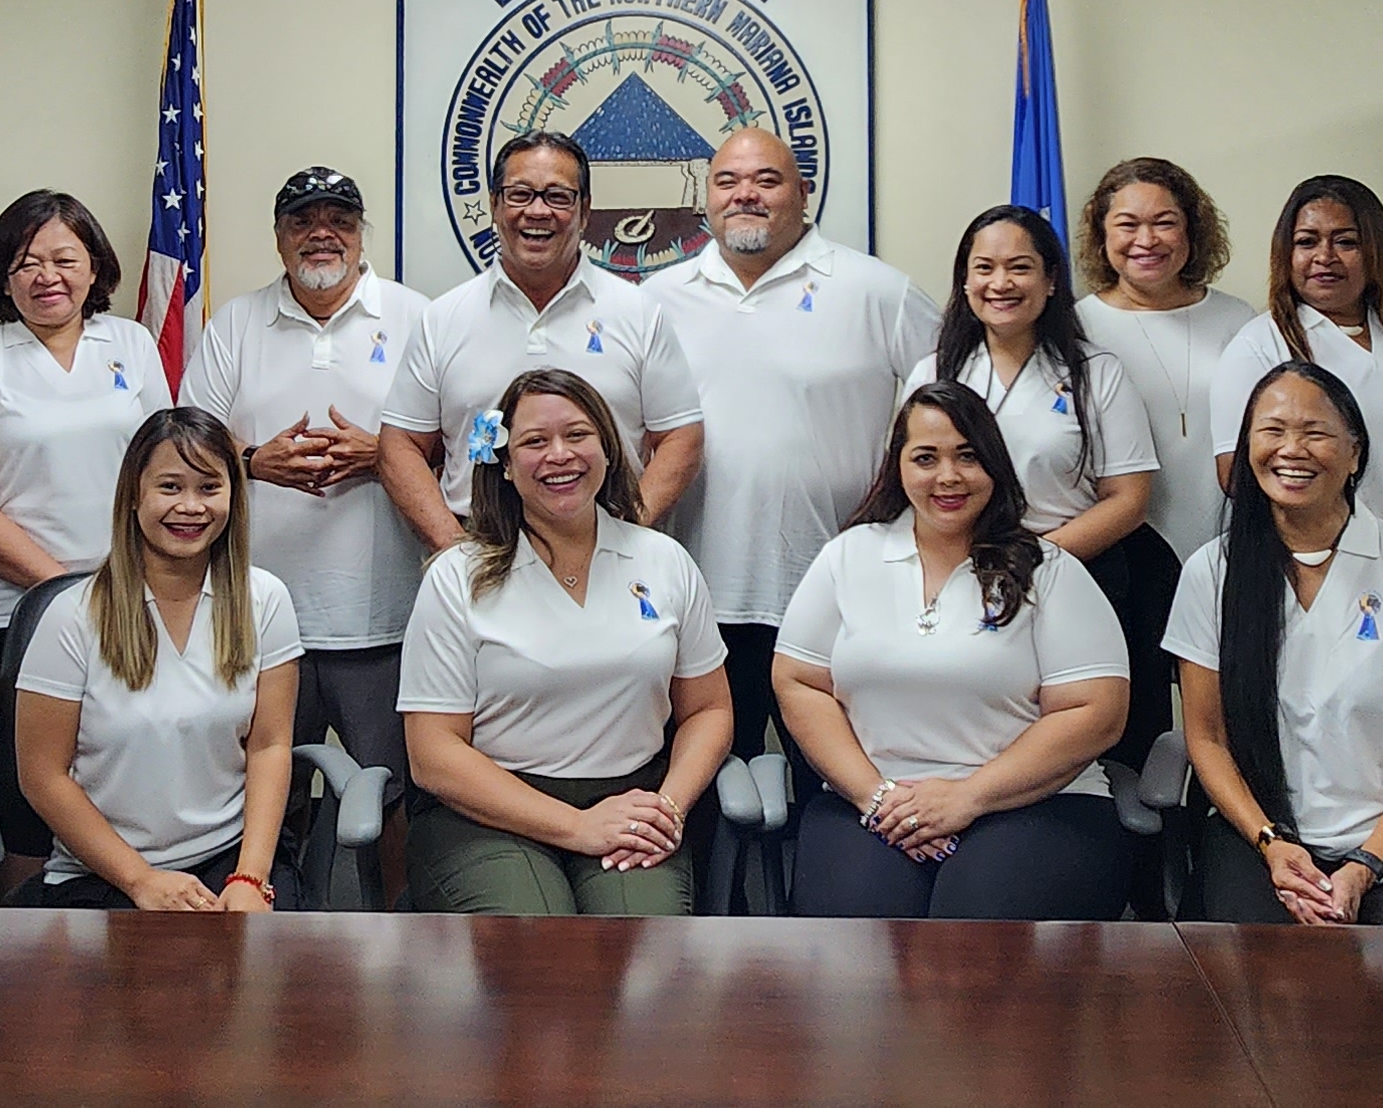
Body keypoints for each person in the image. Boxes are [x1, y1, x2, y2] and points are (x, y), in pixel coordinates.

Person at [774, 381, 1132, 921]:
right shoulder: (847, 557)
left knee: (970, 938)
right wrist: (877, 797)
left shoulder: (1048, 569)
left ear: (994, 465)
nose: (948, 476)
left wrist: (968, 797)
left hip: (1037, 805)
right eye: (926, 458)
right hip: (872, 803)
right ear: (898, 467)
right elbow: (799, 682)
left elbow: (1096, 711)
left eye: (968, 456)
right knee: (860, 941)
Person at [1167, 361, 1383, 927]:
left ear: (1354, 454)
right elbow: (1208, 737)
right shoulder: (1211, 572)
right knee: (1254, 963)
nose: (1291, 449)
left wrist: (1364, 866)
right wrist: (1272, 844)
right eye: (1272, 431)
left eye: (1315, 432)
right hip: (1261, 835)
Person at [396, 370, 732, 915]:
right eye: (534, 441)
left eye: (577, 435)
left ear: (607, 449)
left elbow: (709, 710)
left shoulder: (664, 561)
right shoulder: (458, 576)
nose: (559, 455)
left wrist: (667, 808)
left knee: (638, 949)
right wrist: (577, 827)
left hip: (630, 803)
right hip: (489, 815)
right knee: (539, 942)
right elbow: (433, 753)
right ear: (505, 463)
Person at [642, 129, 932, 755]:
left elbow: (954, 416)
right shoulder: (655, 301)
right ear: (706, 198)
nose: (745, 195)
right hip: (695, 594)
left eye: (766, 180)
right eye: (727, 181)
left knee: (834, 779)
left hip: (837, 591)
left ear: (804, 192)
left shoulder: (879, 292)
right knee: (710, 781)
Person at [179, 168, 431, 810]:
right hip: (257, 618)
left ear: (362, 235)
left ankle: (390, 887)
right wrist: (253, 460)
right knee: (263, 795)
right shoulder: (236, 323)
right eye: (303, 222)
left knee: (394, 798)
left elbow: (463, 445)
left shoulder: (416, 317)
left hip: (386, 620)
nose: (322, 235)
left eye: (339, 222)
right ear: (278, 237)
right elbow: (188, 441)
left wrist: (385, 455)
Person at [13, 408, 304, 910]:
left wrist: (250, 878)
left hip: (231, 860)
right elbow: (42, 775)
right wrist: (140, 880)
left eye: (209, 488)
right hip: (104, 871)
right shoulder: (70, 616)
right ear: (133, 495)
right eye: (170, 487)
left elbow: (269, 746)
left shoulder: (266, 599)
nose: (191, 507)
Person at [909, 206, 1166, 772]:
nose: (1000, 283)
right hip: (955, 577)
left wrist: (1033, 560)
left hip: (1072, 572)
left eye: (1019, 267)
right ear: (965, 282)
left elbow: (1128, 499)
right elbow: (911, 482)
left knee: (1072, 741)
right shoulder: (934, 374)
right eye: (984, 268)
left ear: (1051, 281)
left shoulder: (1096, 373)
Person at [380, 132, 703, 543]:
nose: (537, 211)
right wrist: (453, 550)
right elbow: (400, 445)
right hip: (479, 545)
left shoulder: (638, 313)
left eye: (557, 196)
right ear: (495, 205)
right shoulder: (442, 319)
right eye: (519, 195)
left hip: (606, 547)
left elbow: (681, 437)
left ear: (585, 211)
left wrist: (627, 536)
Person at [0, 190, 173, 704]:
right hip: (13, 610)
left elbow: (163, 471)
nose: (48, 277)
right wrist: (66, 589)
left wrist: (127, 586)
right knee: (22, 751)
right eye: (27, 264)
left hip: (130, 599)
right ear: (4, 278)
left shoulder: (131, 343)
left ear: (94, 268)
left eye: (65, 261)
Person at [1208, 174, 1383, 554]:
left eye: (1346, 242)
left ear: (1376, 250)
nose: (1324, 257)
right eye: (1306, 242)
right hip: (1334, 564)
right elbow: (1238, 476)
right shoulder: (1259, 346)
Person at [1072, 157, 1258, 563]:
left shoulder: (1238, 320)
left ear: (1192, 229)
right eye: (1128, 224)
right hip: (1124, 553)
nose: (1147, 239)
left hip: (1232, 544)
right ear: (1102, 235)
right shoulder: (1076, 328)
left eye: (1164, 222)